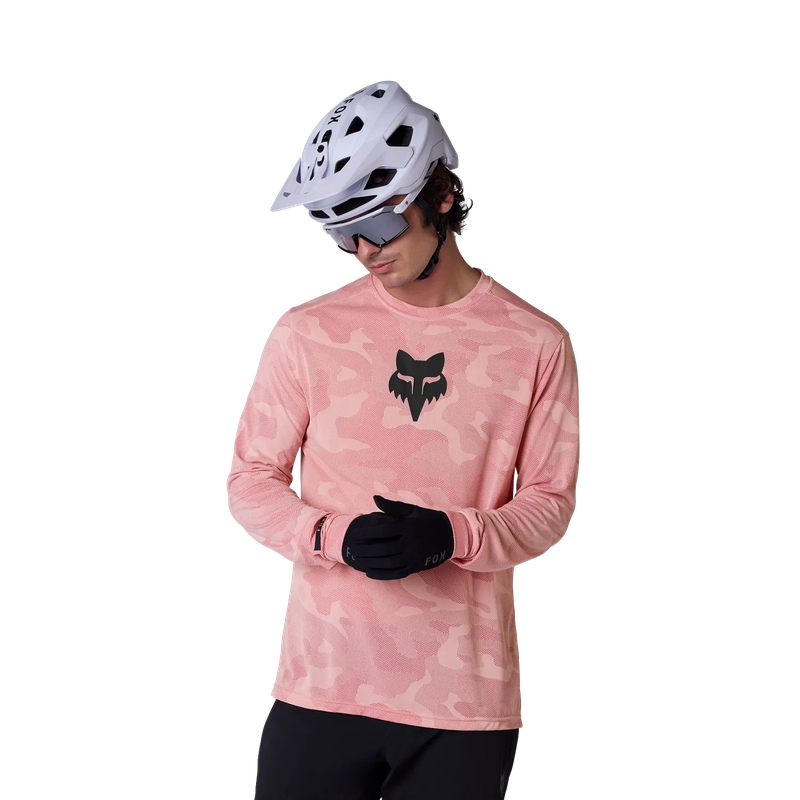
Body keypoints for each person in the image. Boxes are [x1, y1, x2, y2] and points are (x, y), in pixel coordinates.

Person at [227, 80, 580, 800]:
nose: (363, 251)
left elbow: (550, 501)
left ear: (441, 197)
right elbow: (250, 480)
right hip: (322, 688)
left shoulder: (535, 343)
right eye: (341, 234)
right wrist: (332, 536)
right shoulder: (308, 332)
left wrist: (453, 535)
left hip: (463, 705)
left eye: (381, 226)